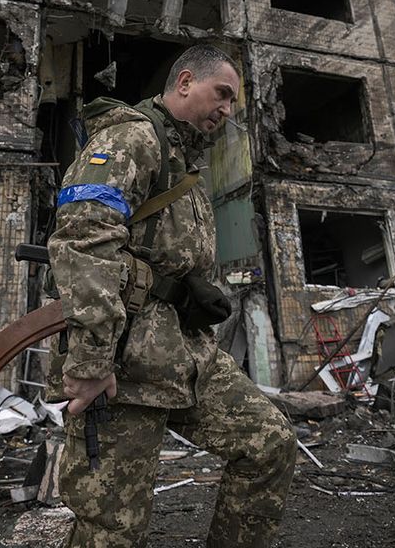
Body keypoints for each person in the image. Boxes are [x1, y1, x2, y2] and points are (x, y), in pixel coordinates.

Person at [47, 45, 297, 547]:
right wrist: (91, 361)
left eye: (233, 101)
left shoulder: (186, 165)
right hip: (126, 365)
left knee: (270, 444)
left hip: (187, 357)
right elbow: (83, 241)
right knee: (113, 528)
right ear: (184, 82)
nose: (227, 109)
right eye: (221, 93)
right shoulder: (131, 139)